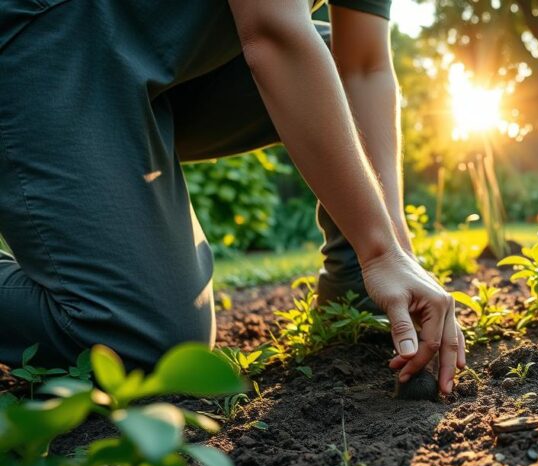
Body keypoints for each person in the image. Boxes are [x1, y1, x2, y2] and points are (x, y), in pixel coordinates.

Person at [0, 0, 465, 394]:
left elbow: (362, 68)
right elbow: (271, 33)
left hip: (155, 56)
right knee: (136, 340)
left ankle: (355, 294)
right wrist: (378, 250)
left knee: (327, 60)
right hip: (43, 35)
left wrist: (397, 252)